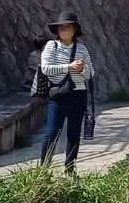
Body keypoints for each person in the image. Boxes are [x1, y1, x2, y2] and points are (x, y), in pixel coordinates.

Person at [39, 10, 94, 174]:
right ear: (57, 30)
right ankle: (43, 171)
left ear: (75, 29)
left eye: (68, 27)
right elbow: (45, 68)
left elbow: (91, 73)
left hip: (78, 94)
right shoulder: (52, 46)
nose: (65, 30)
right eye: (62, 27)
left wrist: (82, 69)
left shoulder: (82, 49)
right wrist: (69, 67)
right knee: (51, 133)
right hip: (58, 95)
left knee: (74, 134)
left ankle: (70, 170)